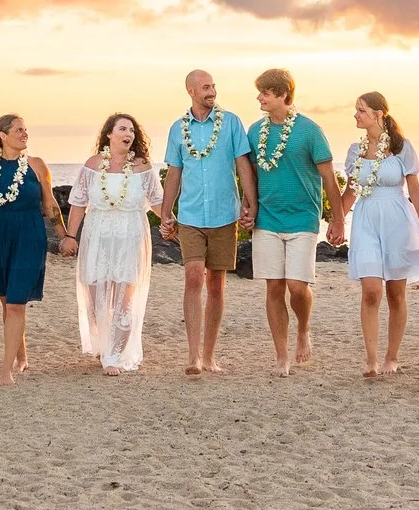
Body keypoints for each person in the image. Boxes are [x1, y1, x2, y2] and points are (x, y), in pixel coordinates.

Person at [324, 90, 419, 377]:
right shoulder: (355, 152)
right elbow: (351, 190)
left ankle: (391, 357)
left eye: (361, 110)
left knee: (395, 292)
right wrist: (338, 221)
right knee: (370, 291)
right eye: (356, 110)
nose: (355, 115)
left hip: (397, 220)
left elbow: (415, 189)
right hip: (366, 220)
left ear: (378, 114)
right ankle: (371, 361)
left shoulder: (402, 147)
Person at [0, 113, 76, 387]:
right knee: (6, 301)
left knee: (16, 303)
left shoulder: (38, 166)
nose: (24, 134)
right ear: (3, 136)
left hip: (28, 237)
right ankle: (21, 354)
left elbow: (50, 205)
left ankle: (6, 370)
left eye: (26, 129)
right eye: (18, 130)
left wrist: (66, 236)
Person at [244, 68, 340, 376]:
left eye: (265, 93)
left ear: (283, 94)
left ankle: (304, 329)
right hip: (267, 218)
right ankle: (281, 356)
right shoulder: (253, 131)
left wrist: (338, 220)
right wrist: (248, 207)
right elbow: (250, 177)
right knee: (274, 286)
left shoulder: (310, 131)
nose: (259, 97)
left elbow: (328, 178)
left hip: (303, 218)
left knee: (298, 287)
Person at [161, 69, 254, 376]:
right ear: (191, 90)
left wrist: (249, 201)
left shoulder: (231, 123)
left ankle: (210, 356)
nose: (211, 91)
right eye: (205, 87)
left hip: (224, 216)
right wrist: (165, 212)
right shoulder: (178, 129)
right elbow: (174, 172)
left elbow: (243, 163)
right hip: (189, 216)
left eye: (213, 86)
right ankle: (192, 357)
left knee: (216, 284)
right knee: (192, 278)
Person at [65, 113, 160, 374]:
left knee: (124, 297)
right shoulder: (93, 165)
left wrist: (174, 220)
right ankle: (104, 344)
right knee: (97, 299)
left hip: (130, 237)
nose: (127, 133)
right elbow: (78, 202)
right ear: (109, 134)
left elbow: (158, 201)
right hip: (97, 236)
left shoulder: (142, 167)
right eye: (121, 128)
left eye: (131, 130)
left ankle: (114, 356)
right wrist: (70, 236)